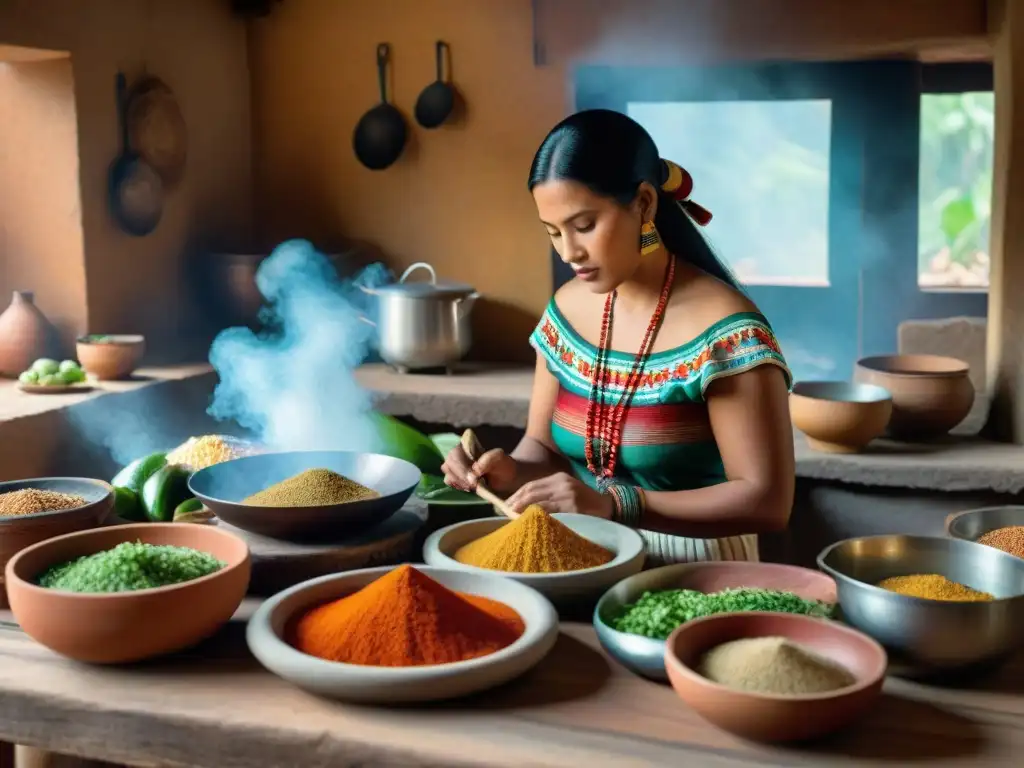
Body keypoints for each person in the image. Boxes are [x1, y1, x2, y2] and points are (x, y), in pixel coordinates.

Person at [442, 109, 795, 565]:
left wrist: (616, 504)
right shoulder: (567, 309)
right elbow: (543, 447)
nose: (569, 251)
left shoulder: (726, 334)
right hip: (586, 552)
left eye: (584, 225)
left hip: (699, 567)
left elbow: (767, 501)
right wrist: (508, 471)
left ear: (645, 203)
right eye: (553, 232)